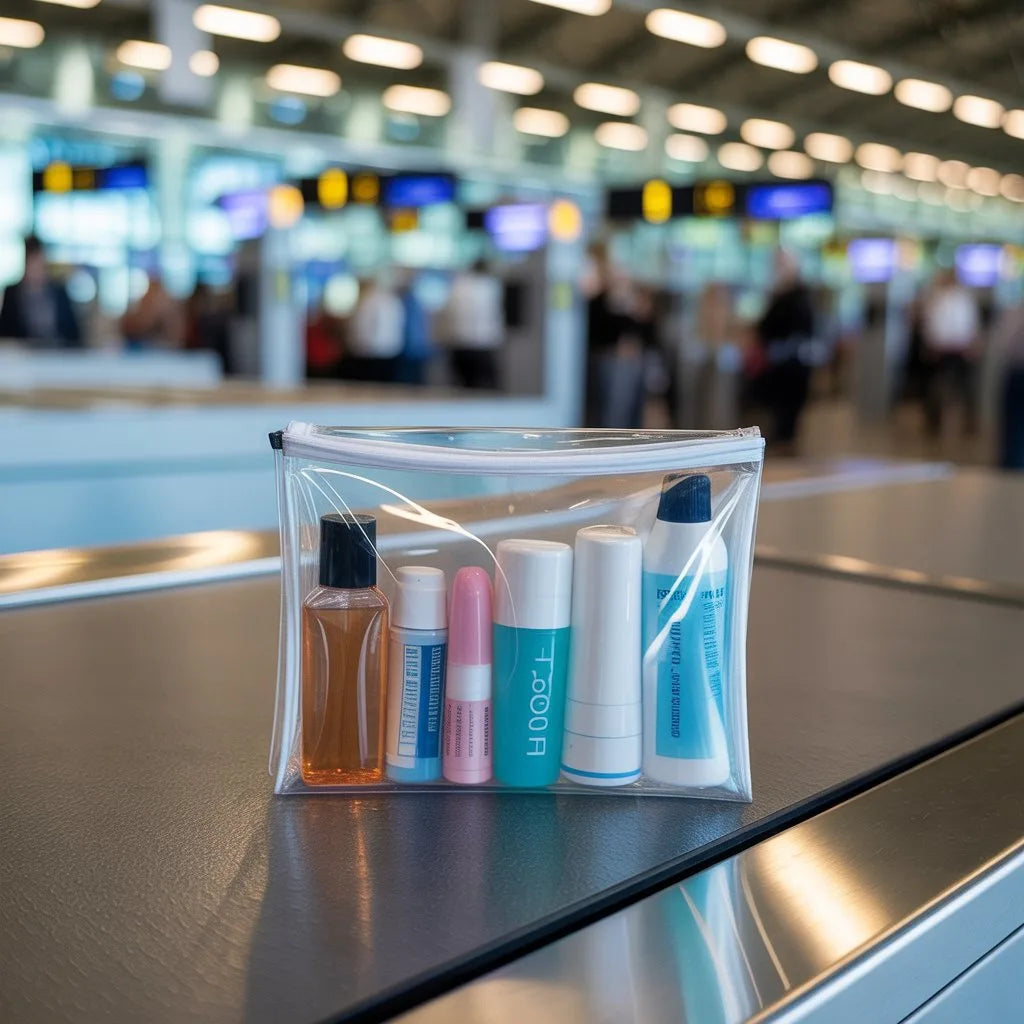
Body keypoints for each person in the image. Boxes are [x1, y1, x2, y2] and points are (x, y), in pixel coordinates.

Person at [747, 249, 816, 451]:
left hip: (791, 366)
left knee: (787, 414)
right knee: (778, 413)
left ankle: (786, 445)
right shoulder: (780, 295)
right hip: (779, 365)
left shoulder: (799, 298)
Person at [920, 268, 981, 437]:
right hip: (940, 349)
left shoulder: (964, 299)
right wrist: (931, 344)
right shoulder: (935, 298)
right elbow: (930, 323)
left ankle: (969, 422)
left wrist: (972, 345)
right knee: (935, 387)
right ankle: (933, 421)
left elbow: (971, 324)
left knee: (965, 388)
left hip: (960, 349)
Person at [0, 235, 81, 346]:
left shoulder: (59, 292)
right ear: (26, 264)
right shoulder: (12, 293)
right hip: (22, 356)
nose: (37, 270)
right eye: (33, 264)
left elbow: (74, 333)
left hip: (58, 354)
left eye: (40, 264)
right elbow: (5, 333)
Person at [443, 259, 504, 389]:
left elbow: (448, 313)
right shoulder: (489, 286)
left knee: (463, 386)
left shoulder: (457, 286)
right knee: (486, 386)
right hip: (482, 343)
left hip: (459, 342)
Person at [342, 278, 404, 383]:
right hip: (391, 350)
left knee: (368, 387)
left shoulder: (367, 300)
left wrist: (355, 345)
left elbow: (362, 326)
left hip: (369, 352)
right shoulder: (394, 300)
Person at [121, 275, 186, 349]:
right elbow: (129, 328)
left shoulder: (170, 312)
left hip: (164, 352)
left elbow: (178, 338)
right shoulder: (138, 312)